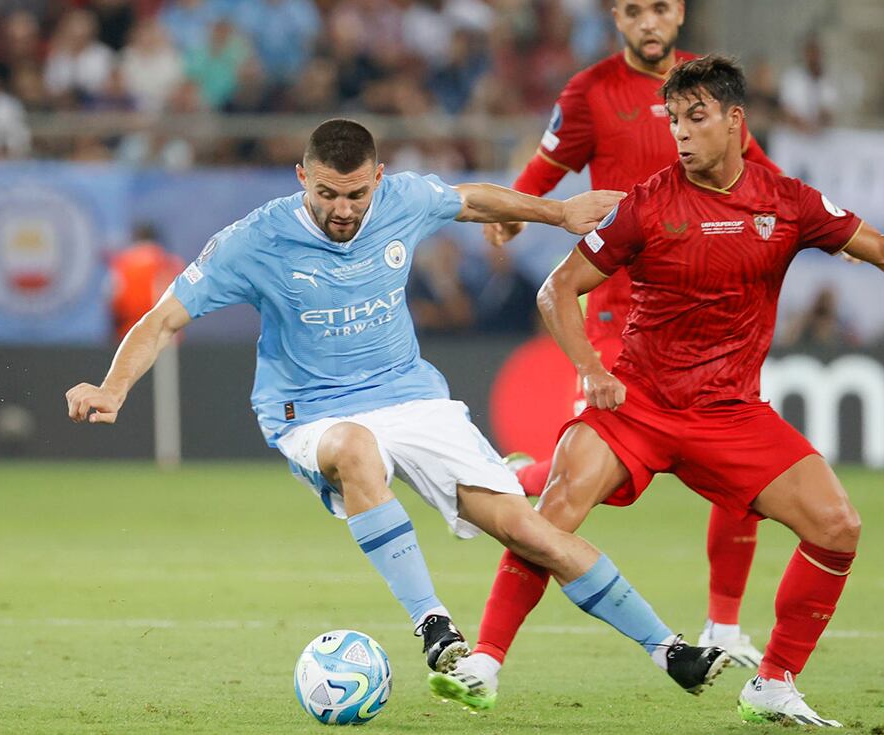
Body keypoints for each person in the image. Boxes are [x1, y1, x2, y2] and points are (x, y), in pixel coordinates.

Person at [436, 57, 884, 726]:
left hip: (729, 411)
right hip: (637, 403)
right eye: (673, 120)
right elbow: (558, 289)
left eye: (696, 118)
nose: (681, 134)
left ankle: (773, 681)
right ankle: (484, 661)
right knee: (555, 512)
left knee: (837, 527)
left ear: (734, 121)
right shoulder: (647, 204)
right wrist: (591, 369)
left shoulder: (788, 202)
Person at [65, 118, 729, 696]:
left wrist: (558, 212)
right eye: (326, 192)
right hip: (312, 411)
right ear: (302, 177)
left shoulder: (404, 197)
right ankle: (433, 622)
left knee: (525, 530)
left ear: (378, 179)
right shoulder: (254, 241)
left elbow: (468, 200)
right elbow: (161, 319)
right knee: (354, 446)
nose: (343, 208)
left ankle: (668, 649)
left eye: (356, 193)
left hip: (411, 395)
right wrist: (112, 387)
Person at [482, 0, 782, 672]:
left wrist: (819, 230)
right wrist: (514, 212)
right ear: (617, 17)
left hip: (706, 313)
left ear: (680, 15)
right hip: (625, 308)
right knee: (591, 472)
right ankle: (508, 489)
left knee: (744, 468)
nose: (650, 23)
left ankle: (725, 625)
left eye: (662, 9)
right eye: (635, 10)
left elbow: (756, 174)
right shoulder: (591, 93)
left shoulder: (707, 94)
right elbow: (549, 160)